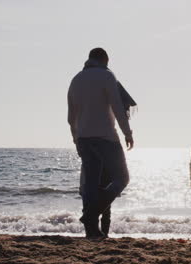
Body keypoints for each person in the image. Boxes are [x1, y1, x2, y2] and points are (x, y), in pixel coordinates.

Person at [68, 47, 135, 238]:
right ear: (105, 60)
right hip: (106, 137)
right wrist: (127, 133)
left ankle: (92, 230)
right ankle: (91, 215)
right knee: (122, 178)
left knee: (91, 184)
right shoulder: (107, 76)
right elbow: (117, 106)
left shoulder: (76, 79)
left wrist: (76, 138)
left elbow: (71, 116)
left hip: (83, 138)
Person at [79, 166, 112, 237]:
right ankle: (92, 233)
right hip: (96, 181)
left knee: (104, 210)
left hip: (101, 181)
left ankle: (98, 233)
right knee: (103, 210)